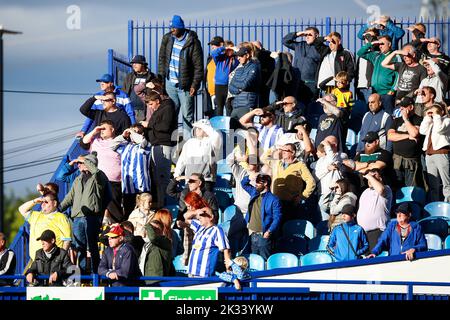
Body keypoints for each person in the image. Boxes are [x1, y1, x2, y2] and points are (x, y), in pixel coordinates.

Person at [60, 152, 112, 274]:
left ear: (89, 163)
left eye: (80, 163)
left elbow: (96, 171)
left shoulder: (99, 177)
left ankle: (95, 274)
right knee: (79, 248)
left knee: (93, 247)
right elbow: (69, 197)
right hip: (78, 218)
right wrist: (58, 209)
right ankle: (82, 274)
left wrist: (86, 160)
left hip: (92, 217)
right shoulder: (78, 179)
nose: (78, 165)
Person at [158, 14, 203, 136]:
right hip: (169, 83)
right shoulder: (167, 38)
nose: (171, 30)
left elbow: (198, 66)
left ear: (181, 28)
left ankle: (187, 144)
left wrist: (195, 84)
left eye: (174, 28)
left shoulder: (193, 42)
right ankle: (171, 142)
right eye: (170, 27)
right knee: (170, 113)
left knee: (187, 115)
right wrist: (161, 79)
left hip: (186, 86)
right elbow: (162, 58)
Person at [81, 120, 123, 224]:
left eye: (104, 128)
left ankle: (116, 231)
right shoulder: (96, 141)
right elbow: (83, 142)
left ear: (112, 129)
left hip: (114, 181)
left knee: (114, 210)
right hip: (97, 180)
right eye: (101, 129)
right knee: (96, 207)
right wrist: (94, 131)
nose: (102, 131)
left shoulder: (120, 141)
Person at [142, 91, 178, 209]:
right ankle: (162, 204)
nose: (150, 107)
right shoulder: (159, 110)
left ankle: (166, 206)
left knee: (163, 178)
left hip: (164, 145)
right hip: (156, 145)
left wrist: (149, 125)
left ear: (157, 101)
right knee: (158, 179)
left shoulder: (167, 108)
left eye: (151, 104)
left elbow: (165, 126)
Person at [264, 143, 316, 221]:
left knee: (287, 227)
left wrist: (302, 196)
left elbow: (311, 182)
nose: (283, 151)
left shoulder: (299, 165)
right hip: (275, 201)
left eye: (286, 150)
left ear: (293, 153)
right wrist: (274, 147)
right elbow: (264, 158)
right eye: (282, 150)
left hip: (290, 203)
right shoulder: (278, 163)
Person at [111, 124, 152, 217]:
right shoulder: (125, 147)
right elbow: (112, 145)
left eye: (137, 132)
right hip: (127, 188)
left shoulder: (146, 145)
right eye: (132, 132)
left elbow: (142, 141)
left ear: (142, 134)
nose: (133, 134)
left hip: (142, 187)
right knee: (128, 215)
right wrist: (123, 136)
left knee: (143, 213)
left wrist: (133, 133)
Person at [78, 73, 136, 138]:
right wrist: (83, 131)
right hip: (101, 134)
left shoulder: (123, 95)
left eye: (105, 82)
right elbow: (90, 115)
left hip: (117, 132)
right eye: (100, 82)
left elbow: (130, 113)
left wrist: (133, 128)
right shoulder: (98, 96)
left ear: (111, 83)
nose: (101, 84)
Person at [18, 192, 72, 262]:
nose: (43, 204)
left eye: (46, 202)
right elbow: (21, 209)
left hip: (53, 261)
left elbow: (67, 240)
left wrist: (60, 259)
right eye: (41, 202)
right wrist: (35, 201)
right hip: (36, 261)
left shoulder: (61, 217)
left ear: (54, 203)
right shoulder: (36, 215)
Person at [241, 173, 282, 260]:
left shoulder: (274, 199)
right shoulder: (254, 192)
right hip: (252, 234)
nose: (256, 184)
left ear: (265, 183)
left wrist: (269, 231)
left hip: (264, 236)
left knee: (264, 260)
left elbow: (277, 218)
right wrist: (249, 177)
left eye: (258, 182)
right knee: (253, 261)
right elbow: (243, 184)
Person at [174, 119, 222, 189]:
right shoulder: (189, 142)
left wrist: (204, 126)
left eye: (200, 128)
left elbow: (217, 136)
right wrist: (176, 175)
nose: (197, 130)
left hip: (206, 181)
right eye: (196, 128)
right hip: (190, 181)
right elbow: (182, 160)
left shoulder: (212, 142)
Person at [184, 206, 231, 277]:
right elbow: (186, 218)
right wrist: (196, 212)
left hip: (204, 274)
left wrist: (229, 271)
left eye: (203, 215)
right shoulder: (199, 228)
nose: (199, 217)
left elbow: (226, 250)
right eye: (199, 216)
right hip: (192, 273)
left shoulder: (217, 230)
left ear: (211, 217)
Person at [387, 96, 424, 188]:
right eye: (400, 106)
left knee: (410, 188)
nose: (401, 109)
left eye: (403, 107)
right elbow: (390, 136)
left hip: (411, 161)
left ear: (411, 107)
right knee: (398, 187)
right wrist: (407, 136)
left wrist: (406, 119)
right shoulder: (396, 120)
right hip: (397, 160)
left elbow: (414, 133)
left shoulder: (419, 119)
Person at [357, 35, 399, 115]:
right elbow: (360, 53)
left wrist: (393, 89)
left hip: (387, 93)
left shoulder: (395, 56)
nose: (380, 46)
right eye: (379, 44)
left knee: (388, 116)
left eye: (382, 43)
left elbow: (398, 74)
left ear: (389, 44)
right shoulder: (377, 56)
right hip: (375, 93)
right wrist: (371, 43)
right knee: (376, 116)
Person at [282, 26, 323, 104]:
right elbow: (285, 41)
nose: (307, 37)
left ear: (316, 35)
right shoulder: (299, 45)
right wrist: (298, 34)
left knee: (311, 106)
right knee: (296, 104)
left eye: (309, 35)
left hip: (311, 83)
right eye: (305, 35)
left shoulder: (321, 49)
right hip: (297, 82)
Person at [419, 103, 450, 202]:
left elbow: (440, 129)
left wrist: (437, 116)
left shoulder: (447, 120)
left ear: (441, 112)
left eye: (434, 112)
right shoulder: (432, 122)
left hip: (441, 153)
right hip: (429, 154)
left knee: (446, 183)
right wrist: (427, 118)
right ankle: (435, 205)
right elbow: (422, 131)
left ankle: (448, 205)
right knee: (433, 185)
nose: (432, 114)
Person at [313, 136, 349, 220]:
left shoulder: (342, 155)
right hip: (324, 192)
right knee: (324, 217)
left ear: (334, 145)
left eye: (327, 143)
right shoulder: (320, 161)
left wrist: (328, 147)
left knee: (336, 218)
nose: (324, 145)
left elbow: (332, 159)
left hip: (337, 190)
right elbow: (317, 176)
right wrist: (327, 169)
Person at [356, 169, 393, 252]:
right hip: (363, 234)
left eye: (374, 175)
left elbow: (380, 189)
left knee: (376, 260)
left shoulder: (386, 188)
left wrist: (368, 175)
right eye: (369, 177)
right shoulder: (365, 192)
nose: (370, 178)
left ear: (381, 178)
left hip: (377, 232)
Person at [228, 46, 262, 120]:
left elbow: (245, 85)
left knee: (245, 128)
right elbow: (230, 87)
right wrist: (239, 89)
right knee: (231, 129)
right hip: (236, 105)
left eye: (241, 56)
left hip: (247, 104)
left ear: (247, 55)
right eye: (237, 56)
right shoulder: (238, 70)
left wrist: (237, 85)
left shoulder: (254, 67)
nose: (238, 58)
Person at [122, 55, 157, 122]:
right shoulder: (129, 76)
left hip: (145, 109)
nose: (134, 65)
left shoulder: (152, 77)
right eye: (133, 63)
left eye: (136, 63)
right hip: (130, 110)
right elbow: (124, 91)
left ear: (143, 64)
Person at [211, 38, 239, 116]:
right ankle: (219, 126)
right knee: (219, 107)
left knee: (229, 106)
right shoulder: (220, 58)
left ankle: (230, 125)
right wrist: (225, 48)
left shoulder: (236, 59)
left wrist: (235, 49)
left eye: (231, 49)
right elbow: (213, 53)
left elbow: (241, 53)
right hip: (219, 85)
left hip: (230, 85)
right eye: (228, 49)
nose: (230, 51)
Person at [141, 220, 173, 284]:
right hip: (145, 278)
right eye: (152, 229)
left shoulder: (165, 241)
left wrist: (147, 225)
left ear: (161, 231)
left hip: (156, 280)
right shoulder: (146, 244)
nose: (152, 230)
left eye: (154, 229)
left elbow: (153, 238)